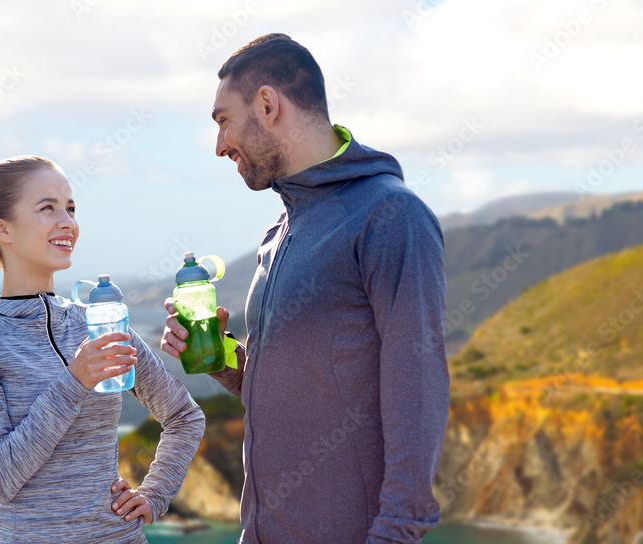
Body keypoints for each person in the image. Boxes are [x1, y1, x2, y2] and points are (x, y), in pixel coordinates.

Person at [161, 34, 449, 543]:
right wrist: (225, 362)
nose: (219, 145)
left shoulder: (390, 216)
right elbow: (304, 387)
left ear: (268, 104)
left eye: (223, 120)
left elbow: (418, 386)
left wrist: (397, 532)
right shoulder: (280, 233)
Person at [0, 156, 205, 544]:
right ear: (2, 229)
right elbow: (0, 478)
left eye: (71, 208)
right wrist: (74, 382)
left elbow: (184, 417)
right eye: (48, 208)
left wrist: (155, 494)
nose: (68, 222)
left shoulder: (99, 322)